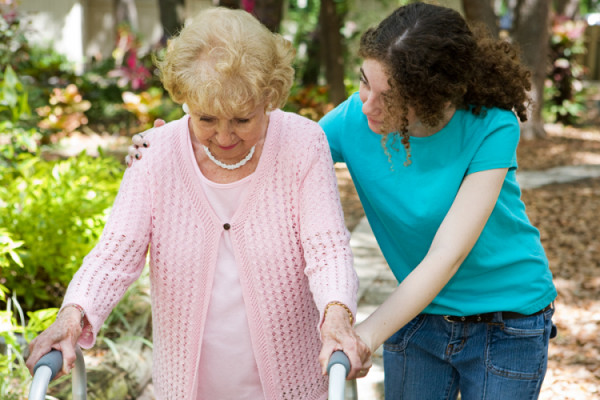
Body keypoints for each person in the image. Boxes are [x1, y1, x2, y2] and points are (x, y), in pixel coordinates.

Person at [127, 3, 558, 399]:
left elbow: (448, 254)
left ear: (432, 99)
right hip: (418, 314)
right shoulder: (354, 119)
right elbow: (281, 149)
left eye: (389, 98)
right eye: (365, 83)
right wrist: (177, 146)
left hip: (508, 321)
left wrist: (361, 335)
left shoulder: (491, 126)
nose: (368, 104)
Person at [26, 7, 372, 400]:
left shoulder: (303, 144)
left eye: (242, 120)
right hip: (188, 388)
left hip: (294, 383)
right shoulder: (154, 155)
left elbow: (326, 249)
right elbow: (114, 254)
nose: (224, 137)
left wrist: (337, 316)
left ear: (270, 97)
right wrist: (72, 316)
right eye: (206, 118)